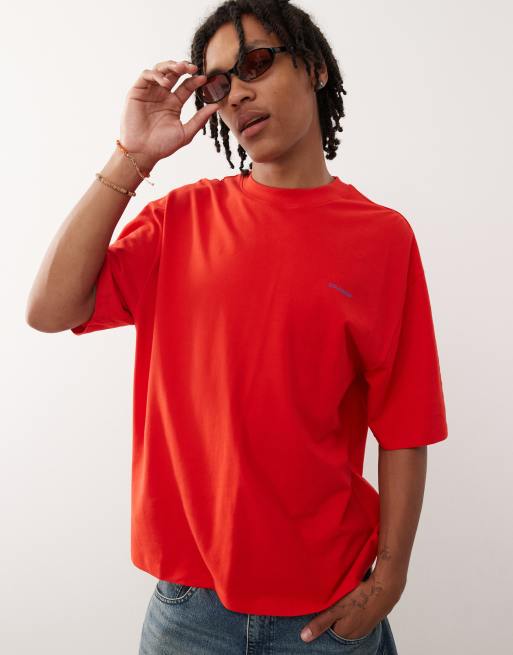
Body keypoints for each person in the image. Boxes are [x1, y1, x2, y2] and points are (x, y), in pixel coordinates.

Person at [26, 1, 448, 653]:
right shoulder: (180, 222)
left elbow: (405, 424)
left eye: (256, 64)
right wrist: (131, 157)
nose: (237, 95)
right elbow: (51, 309)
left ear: (314, 68)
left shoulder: (382, 238)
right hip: (189, 612)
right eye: (219, 85)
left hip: (328, 607)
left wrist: (389, 579)